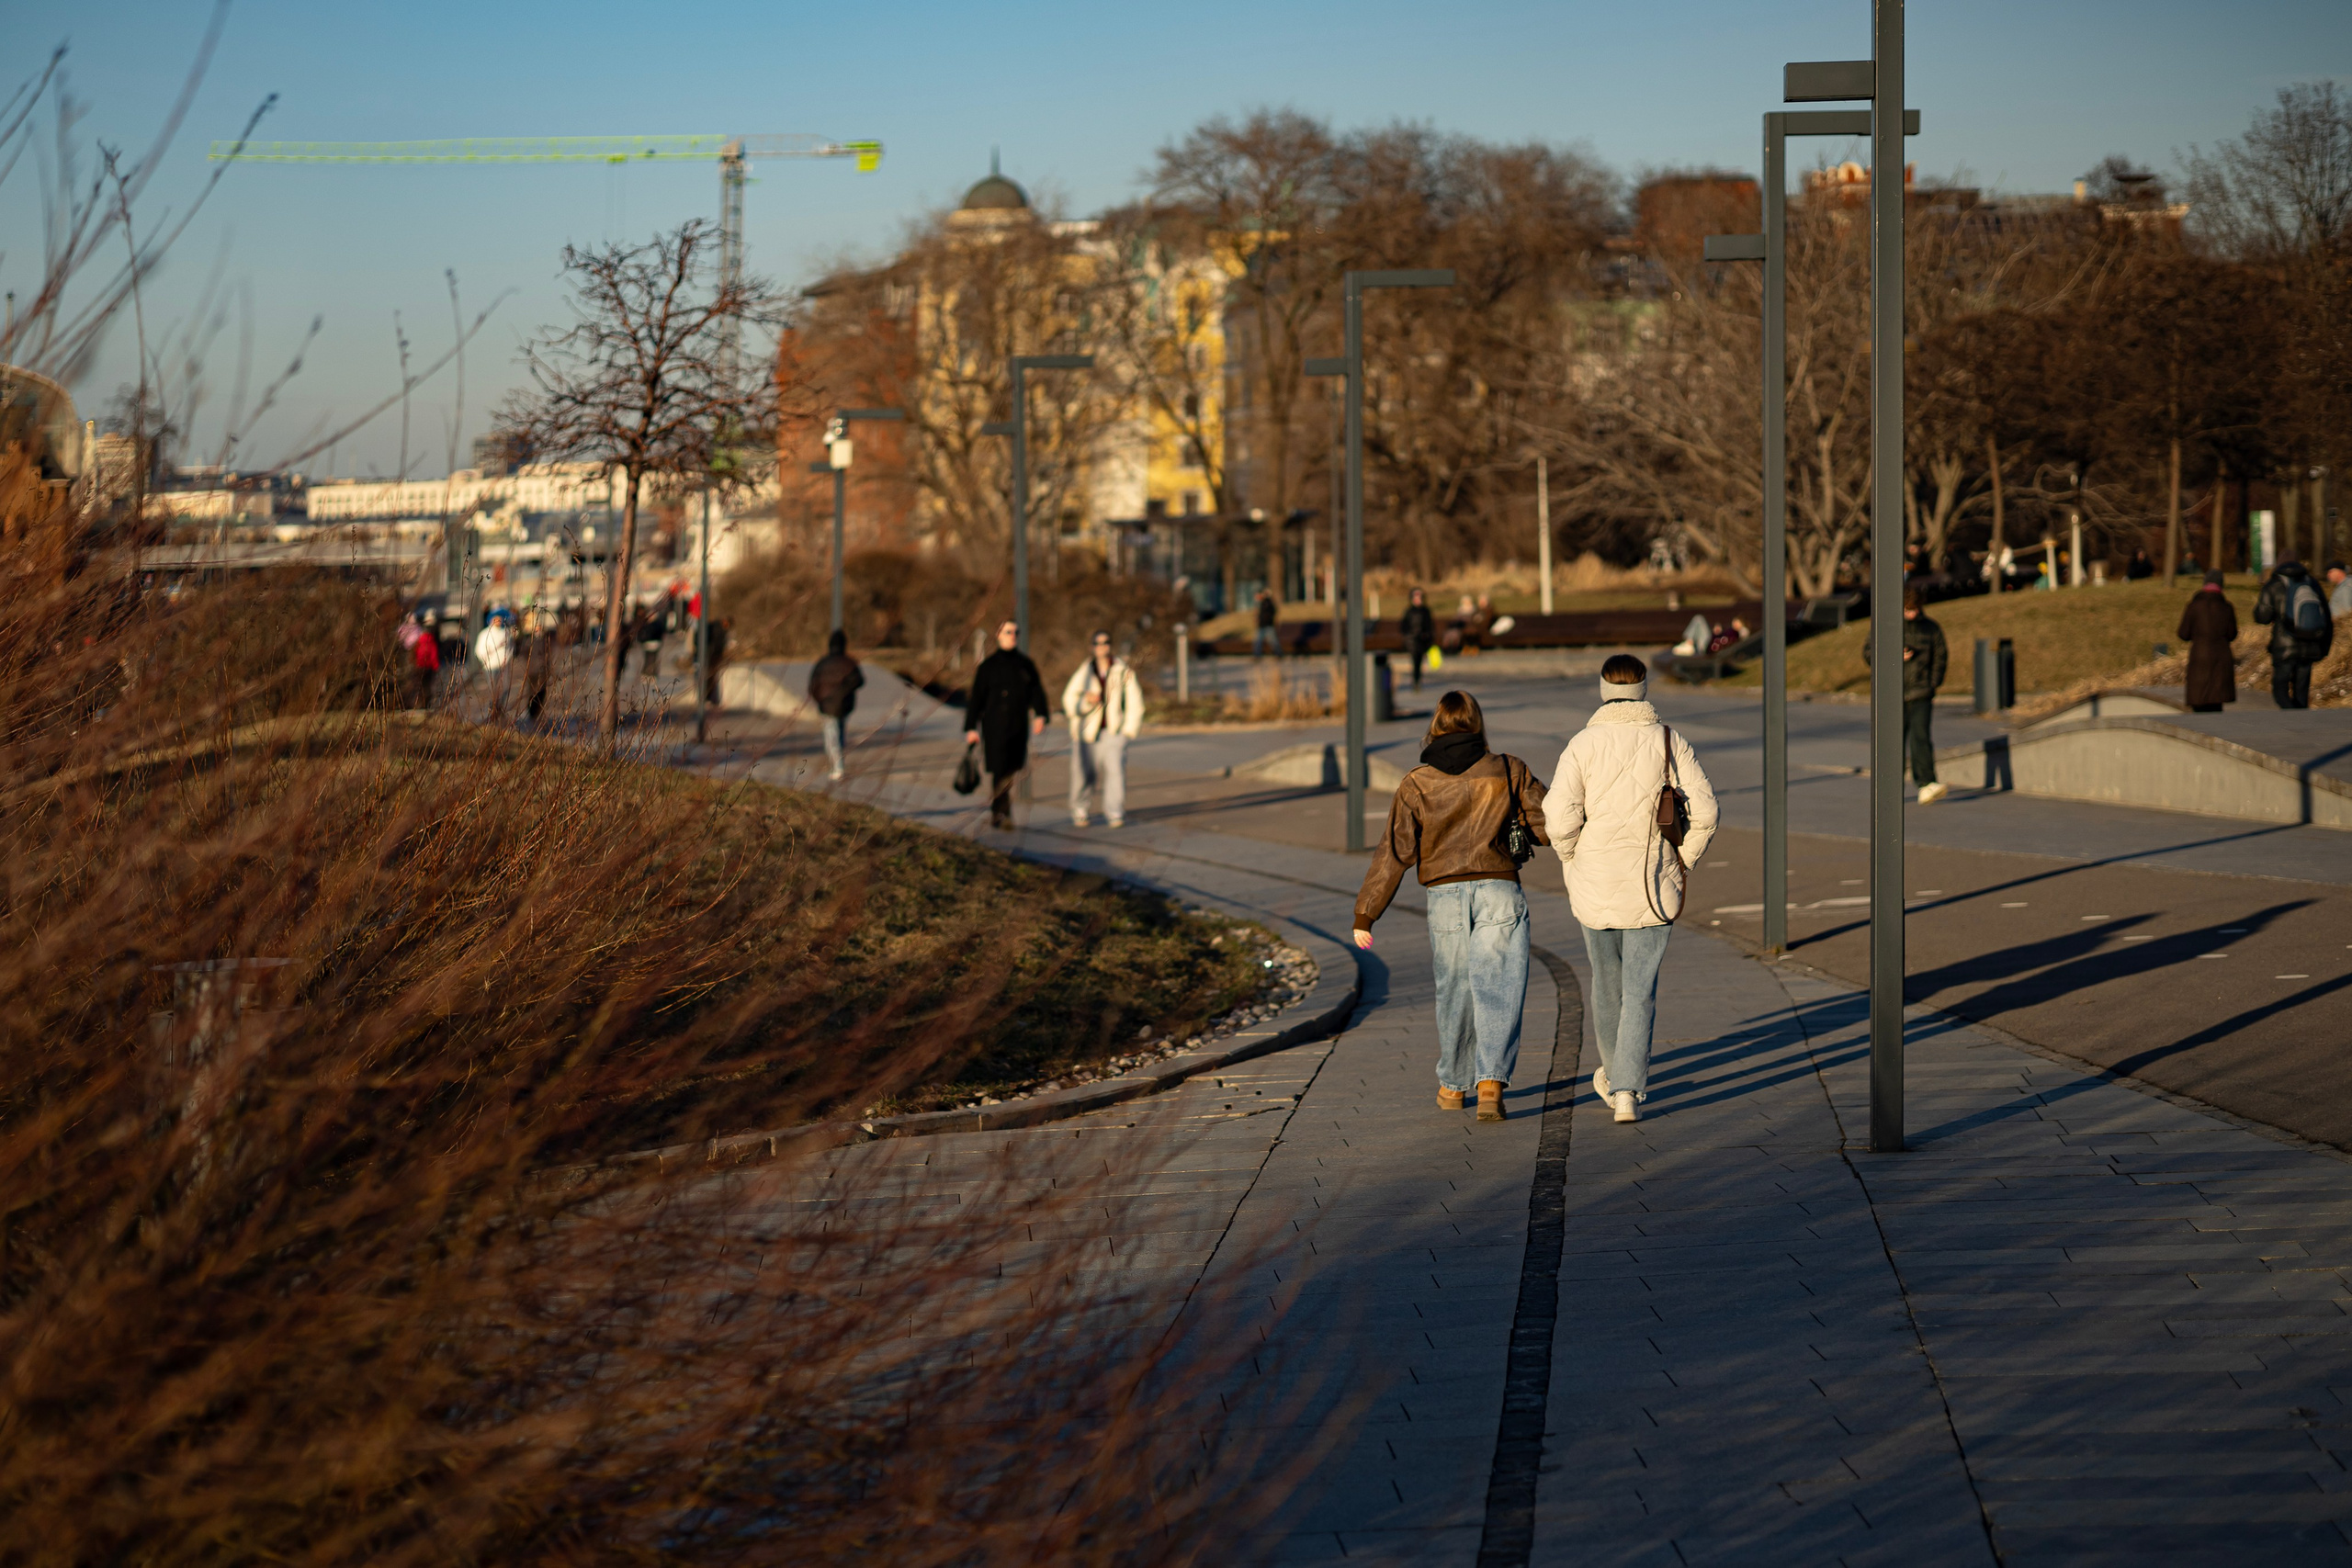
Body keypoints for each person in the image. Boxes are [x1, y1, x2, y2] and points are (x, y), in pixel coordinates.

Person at [1352, 691, 1551, 1124]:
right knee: (1499, 985)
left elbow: (1393, 852)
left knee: (1454, 989)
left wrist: (1366, 914)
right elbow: (1548, 826)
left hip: (1444, 897)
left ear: (1437, 726)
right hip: (1499, 889)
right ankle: (1490, 1085)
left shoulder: (1416, 783)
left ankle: (1453, 1085)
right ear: (1477, 723)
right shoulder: (1509, 769)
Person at [1548, 655, 1719, 1123]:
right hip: (1653, 884)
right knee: (1640, 990)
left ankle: (1613, 1075)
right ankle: (1627, 1090)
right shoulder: (1669, 741)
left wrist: (1571, 856)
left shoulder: (1582, 744)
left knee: (1606, 984)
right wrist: (1682, 860)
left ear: (1603, 689)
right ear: (1643, 688)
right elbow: (1706, 813)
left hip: (1595, 882)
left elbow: (1559, 819)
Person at [1864, 587, 1951, 804]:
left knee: (1921, 739)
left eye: (1915, 609)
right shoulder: (1886, 625)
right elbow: (1868, 653)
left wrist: (1933, 683)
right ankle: (1890, 788)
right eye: (1907, 609)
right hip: (1893, 695)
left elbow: (1941, 656)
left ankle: (1927, 784)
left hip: (1921, 692)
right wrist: (1893, 655)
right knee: (1893, 743)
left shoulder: (1931, 628)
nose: (1912, 613)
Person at [964, 621, 1048, 829]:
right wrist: (971, 727)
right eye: (1008, 632)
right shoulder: (988, 667)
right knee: (998, 768)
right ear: (999, 635)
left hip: (1018, 725)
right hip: (994, 726)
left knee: (1012, 768)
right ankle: (1001, 811)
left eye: (1016, 632)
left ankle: (1000, 809)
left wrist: (1040, 715)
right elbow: (976, 698)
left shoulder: (1025, 664)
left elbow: (1036, 691)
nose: (1013, 636)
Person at [1062, 630, 1144, 827]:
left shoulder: (1122, 670)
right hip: (1087, 733)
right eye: (1098, 643)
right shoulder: (1084, 671)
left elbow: (1135, 701)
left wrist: (1128, 731)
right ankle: (1079, 809)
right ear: (1092, 647)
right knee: (1084, 775)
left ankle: (1115, 812)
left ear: (1110, 645)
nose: (1102, 646)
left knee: (1116, 773)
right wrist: (1086, 702)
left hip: (1113, 732)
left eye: (1106, 642)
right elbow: (1069, 700)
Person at [2253, 552, 2335, 709]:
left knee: (2280, 689)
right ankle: (2300, 719)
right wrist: (2324, 646)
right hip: (2310, 643)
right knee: (2301, 691)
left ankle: (2290, 715)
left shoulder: (2274, 584)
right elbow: (2326, 615)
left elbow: (2263, 617)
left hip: (2284, 646)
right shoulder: (2311, 582)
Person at [808, 629, 865, 782]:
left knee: (831, 737)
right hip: (844, 706)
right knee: (839, 735)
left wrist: (821, 699)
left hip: (826, 706)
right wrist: (844, 692)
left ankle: (838, 768)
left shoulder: (822, 663)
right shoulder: (849, 663)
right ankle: (839, 764)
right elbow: (859, 681)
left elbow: (813, 685)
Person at [2178, 570, 2237, 713]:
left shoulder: (2193, 606)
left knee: (2199, 700)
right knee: (2217, 702)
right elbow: (2232, 634)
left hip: (2200, 656)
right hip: (2221, 657)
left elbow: (2183, 633)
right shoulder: (2226, 607)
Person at [474, 610, 514, 720]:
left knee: (505, 687)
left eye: (499, 620)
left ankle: (500, 707)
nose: (498, 622)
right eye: (496, 620)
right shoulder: (485, 634)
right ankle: (493, 709)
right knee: (493, 688)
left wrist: (507, 659)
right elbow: (479, 650)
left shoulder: (506, 633)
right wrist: (485, 660)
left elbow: (511, 648)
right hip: (490, 666)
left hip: (503, 665)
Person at [1399, 588, 1436, 691]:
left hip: (1422, 640)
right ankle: (1416, 681)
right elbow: (1404, 626)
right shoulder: (1409, 611)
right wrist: (1409, 634)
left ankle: (1417, 680)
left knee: (1419, 661)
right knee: (1415, 660)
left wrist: (1426, 635)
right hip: (1412, 641)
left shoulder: (1425, 611)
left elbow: (1429, 626)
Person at [1252, 588, 1279, 659]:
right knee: (1258, 641)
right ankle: (1257, 655)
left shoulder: (1267, 602)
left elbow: (1272, 612)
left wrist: (1267, 619)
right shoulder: (1260, 603)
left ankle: (1279, 654)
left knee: (1273, 640)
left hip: (1268, 625)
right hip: (1262, 625)